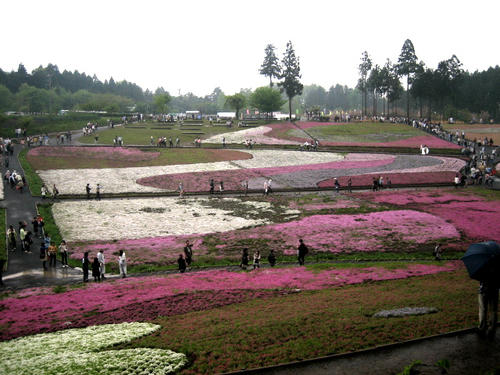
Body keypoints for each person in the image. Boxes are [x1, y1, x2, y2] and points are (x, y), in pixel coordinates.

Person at [478, 259, 500, 339]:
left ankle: (482, 328)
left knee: (483, 310)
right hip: (495, 289)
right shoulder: (498, 262)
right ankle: (492, 330)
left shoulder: (482, 262)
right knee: (494, 310)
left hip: (484, 289)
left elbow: (478, 276)